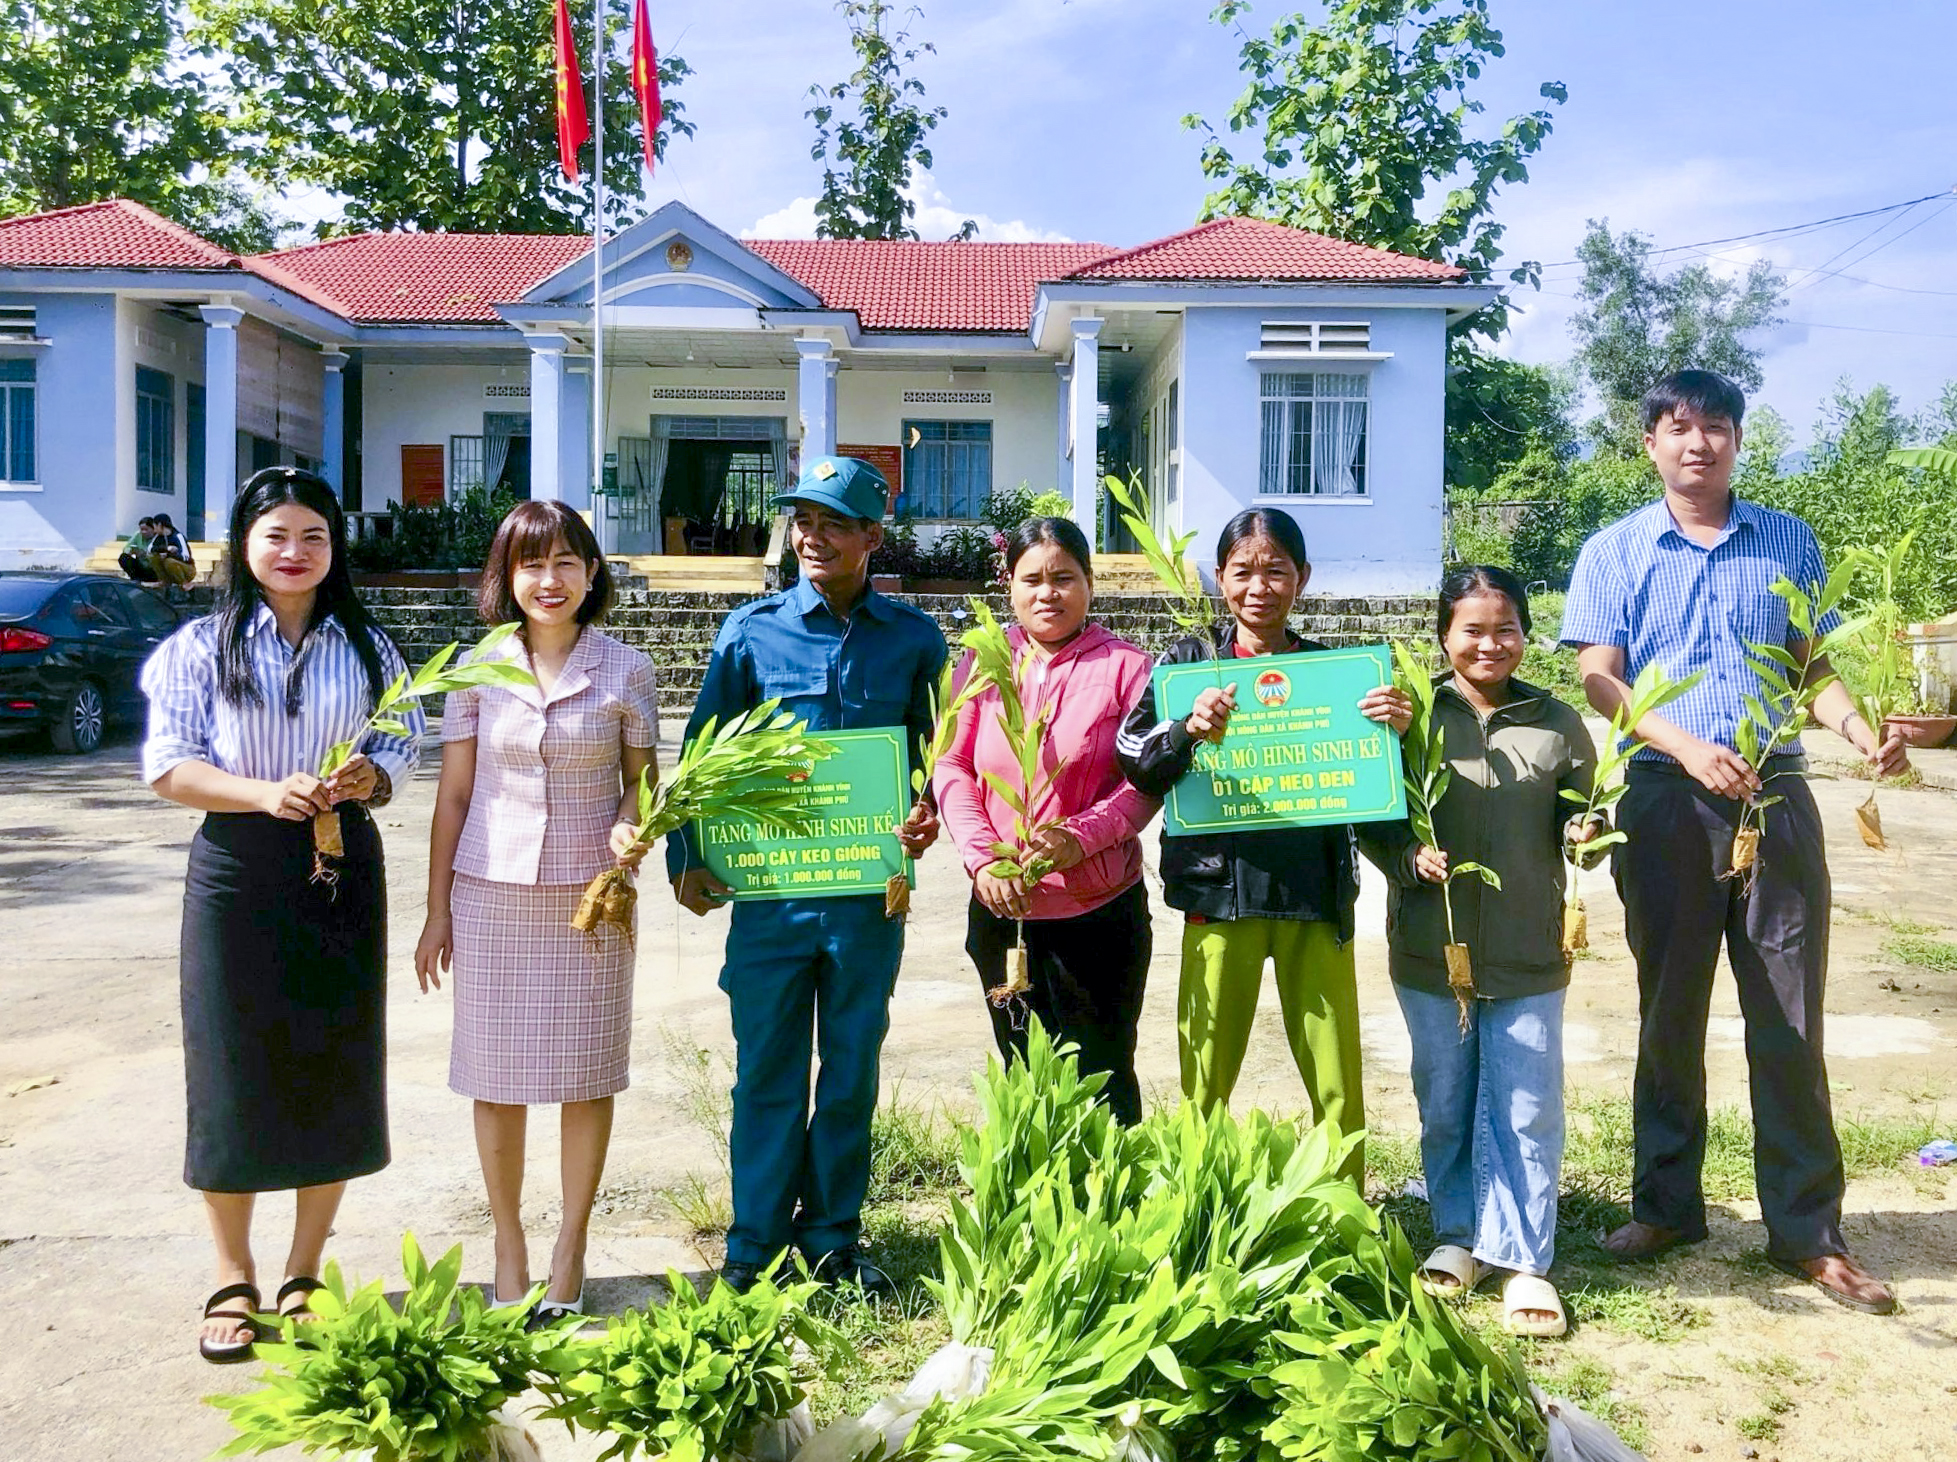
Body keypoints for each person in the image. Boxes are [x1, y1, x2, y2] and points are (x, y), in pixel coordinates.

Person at [1562, 368, 1908, 1315]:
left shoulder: (1787, 541)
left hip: (1777, 796)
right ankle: (1665, 1207)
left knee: (1787, 1016)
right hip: (1667, 801)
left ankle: (1806, 1233)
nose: (1697, 444)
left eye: (1715, 427)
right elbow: (1599, 677)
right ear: (1650, 443)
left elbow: (1815, 667)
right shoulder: (1613, 550)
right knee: (1668, 1009)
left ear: (1738, 440)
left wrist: (1852, 728)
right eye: (1678, 428)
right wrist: (1680, 743)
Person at [140, 467, 421, 1363]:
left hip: (342, 865)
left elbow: (403, 742)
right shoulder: (198, 646)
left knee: (332, 1057)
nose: (294, 553)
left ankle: (304, 1273)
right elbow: (168, 766)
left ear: (334, 549)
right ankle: (232, 1273)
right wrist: (263, 793)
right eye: (276, 537)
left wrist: (371, 777)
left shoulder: (372, 648)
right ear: (245, 545)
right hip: (236, 866)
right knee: (231, 1060)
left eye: (313, 537)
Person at [666, 455, 946, 1299]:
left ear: (871, 536)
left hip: (868, 900)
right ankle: (752, 1244)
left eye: (832, 523)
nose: (812, 537)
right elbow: (701, 754)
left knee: (851, 1071)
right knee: (767, 1072)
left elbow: (941, 757)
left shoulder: (915, 639)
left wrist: (928, 813)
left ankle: (830, 1238)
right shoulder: (750, 633)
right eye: (802, 521)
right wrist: (689, 855)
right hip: (773, 898)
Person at [414, 500, 658, 1327]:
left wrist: (634, 819)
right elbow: (451, 796)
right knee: (497, 1077)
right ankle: (509, 1245)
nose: (547, 581)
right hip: (490, 893)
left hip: (591, 898)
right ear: (505, 578)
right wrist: (435, 909)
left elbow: (641, 779)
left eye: (564, 563)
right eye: (529, 565)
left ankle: (572, 1245)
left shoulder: (627, 669)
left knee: (586, 1075)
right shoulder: (476, 667)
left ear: (592, 575)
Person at [1117, 508, 1410, 1181]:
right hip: (1219, 895)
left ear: (1301, 579)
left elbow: (1371, 781)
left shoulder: (1335, 675)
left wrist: (1397, 723)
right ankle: (1199, 1206)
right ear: (1218, 578)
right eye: (1243, 570)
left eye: (1275, 570)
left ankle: (1345, 1219)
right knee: (1206, 1072)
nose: (1259, 586)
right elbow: (1133, 758)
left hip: (1314, 891)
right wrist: (1187, 729)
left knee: (1335, 1077)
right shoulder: (1190, 663)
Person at [1381, 566, 1600, 1339]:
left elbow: (1588, 817)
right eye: (1471, 629)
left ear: (1523, 635)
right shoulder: (1408, 715)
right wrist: (1406, 858)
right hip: (1429, 946)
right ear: (1443, 634)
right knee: (1445, 1100)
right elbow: (1372, 816)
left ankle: (1522, 1260)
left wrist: (1586, 834)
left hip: (1528, 944)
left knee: (1526, 1104)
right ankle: (1456, 1234)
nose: (1488, 644)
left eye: (1503, 628)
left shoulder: (1556, 721)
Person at [935, 516, 1160, 1124]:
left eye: (1064, 578)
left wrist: (1078, 839)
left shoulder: (1129, 669)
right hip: (1001, 912)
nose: (1047, 593)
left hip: (1099, 914)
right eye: (1031, 579)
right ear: (1008, 585)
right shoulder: (983, 662)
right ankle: (1037, 1210)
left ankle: (1114, 1212)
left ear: (1090, 583)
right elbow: (952, 766)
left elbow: (1147, 783)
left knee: (1103, 1079)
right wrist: (984, 859)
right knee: (1025, 1076)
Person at [148, 513, 197, 587]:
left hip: (185, 568)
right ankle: (163, 580)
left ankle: (184, 582)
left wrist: (169, 555)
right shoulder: (157, 537)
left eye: (155, 526)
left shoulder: (178, 536)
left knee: (169, 562)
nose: (154, 529)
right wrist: (165, 549)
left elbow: (186, 557)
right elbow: (150, 549)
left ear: (160, 525)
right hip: (168, 569)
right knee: (152, 556)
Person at [119, 517, 160, 581]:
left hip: (153, 568)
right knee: (123, 557)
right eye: (142, 529)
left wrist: (145, 553)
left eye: (146, 529)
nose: (143, 532)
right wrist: (130, 551)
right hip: (140, 564)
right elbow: (127, 547)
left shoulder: (159, 537)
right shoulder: (138, 535)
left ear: (153, 529)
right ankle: (135, 578)